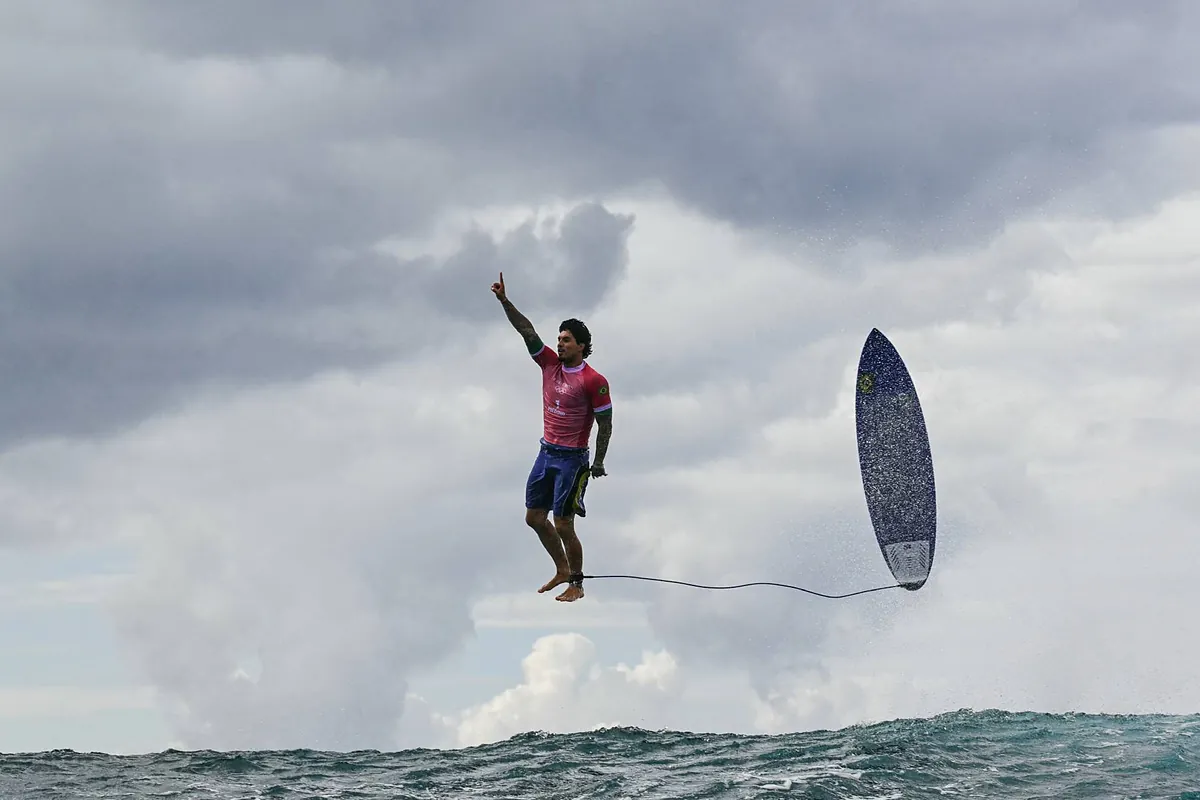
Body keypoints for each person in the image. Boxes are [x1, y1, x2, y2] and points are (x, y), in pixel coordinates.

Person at [491, 271, 612, 602]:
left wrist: (598, 461)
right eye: (559, 339)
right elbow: (526, 330)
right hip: (546, 453)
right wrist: (504, 301)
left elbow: (606, 423)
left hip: (573, 460)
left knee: (562, 524)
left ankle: (577, 582)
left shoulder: (593, 380)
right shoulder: (548, 364)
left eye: (566, 340)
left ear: (582, 346)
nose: (559, 343)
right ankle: (561, 569)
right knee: (533, 518)